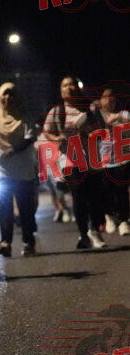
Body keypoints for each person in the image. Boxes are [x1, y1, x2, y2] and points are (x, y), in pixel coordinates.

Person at [43, 76, 106, 249]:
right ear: (61, 91)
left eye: (71, 84)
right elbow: (47, 131)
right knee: (79, 196)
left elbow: (102, 130)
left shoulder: (91, 109)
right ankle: (83, 233)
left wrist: (89, 134)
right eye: (65, 85)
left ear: (77, 88)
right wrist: (57, 138)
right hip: (69, 160)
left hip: (91, 159)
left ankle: (95, 230)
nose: (69, 87)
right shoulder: (57, 112)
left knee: (94, 196)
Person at [0, 83, 38, 257]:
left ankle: (28, 241)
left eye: (11, 94)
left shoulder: (24, 117)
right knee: (3, 207)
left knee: (25, 208)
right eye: (5, 94)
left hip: (23, 169)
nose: (8, 98)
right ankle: (5, 241)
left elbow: (30, 137)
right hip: (0, 169)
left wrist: (14, 149)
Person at [96, 87, 130, 237]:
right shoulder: (96, 116)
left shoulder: (123, 114)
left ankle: (123, 221)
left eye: (111, 96)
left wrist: (116, 118)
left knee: (122, 190)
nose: (109, 99)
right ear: (100, 100)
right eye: (105, 97)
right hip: (103, 161)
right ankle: (109, 217)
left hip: (122, 159)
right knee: (105, 191)